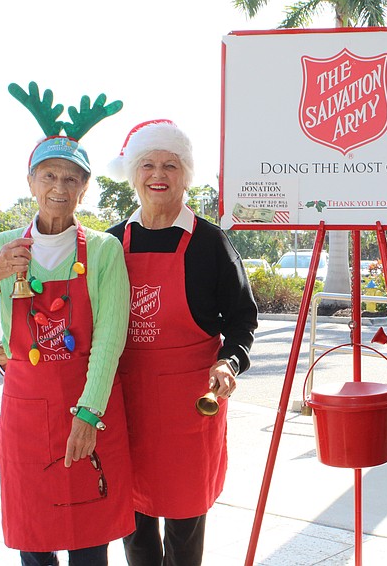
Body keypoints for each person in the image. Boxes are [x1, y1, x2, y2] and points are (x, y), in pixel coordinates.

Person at [0, 82, 134, 566]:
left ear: (85, 188)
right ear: (30, 182)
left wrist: (88, 414)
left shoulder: (105, 251)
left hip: (87, 408)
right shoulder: (0, 248)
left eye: (72, 179)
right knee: (35, 543)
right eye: (49, 175)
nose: (59, 188)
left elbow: (110, 340)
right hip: (27, 415)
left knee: (90, 544)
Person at [105, 119, 259, 566]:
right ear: (133, 174)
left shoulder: (211, 243)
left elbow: (243, 321)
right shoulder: (110, 243)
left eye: (170, 165)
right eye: (148, 164)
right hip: (126, 400)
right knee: (132, 523)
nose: (159, 174)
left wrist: (230, 363)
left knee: (185, 521)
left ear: (185, 175)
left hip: (191, 402)